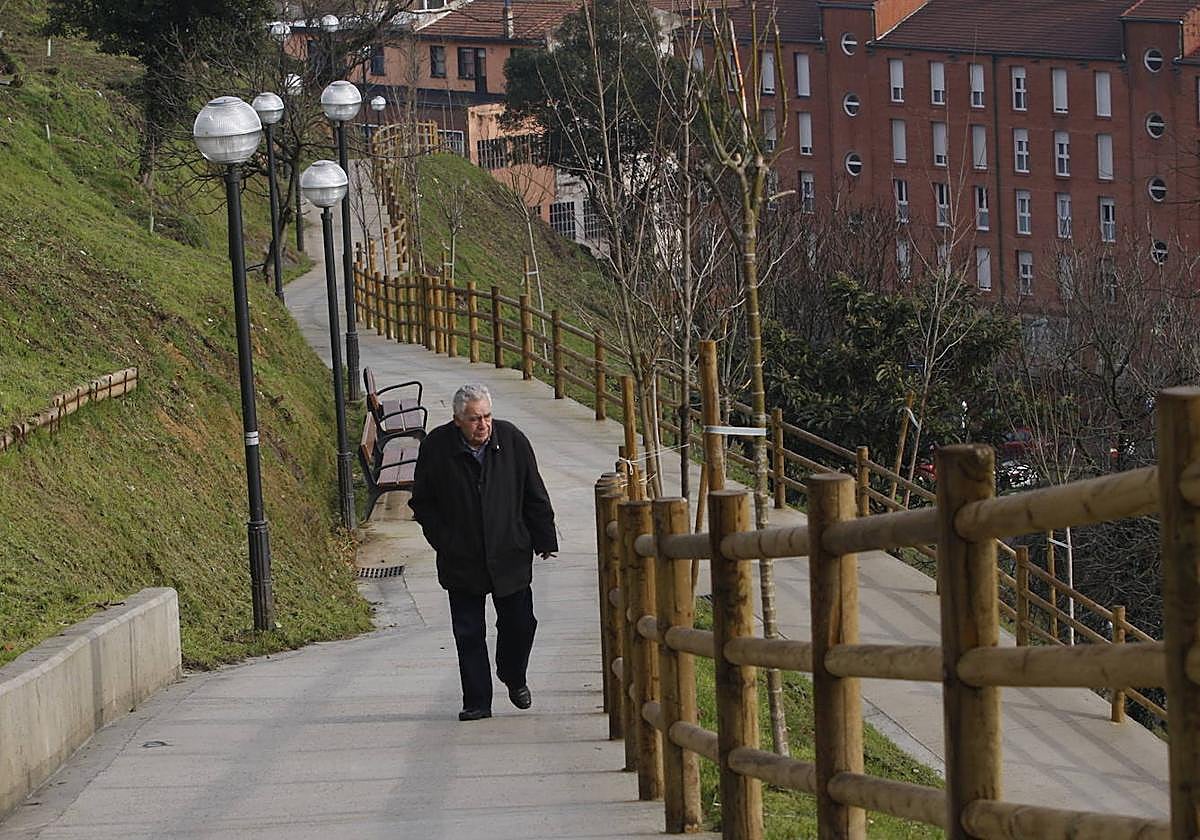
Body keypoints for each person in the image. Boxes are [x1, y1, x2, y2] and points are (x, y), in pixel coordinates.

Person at [409, 383, 558, 721]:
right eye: (474, 418)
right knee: (469, 633)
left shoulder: (512, 440)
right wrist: (444, 540)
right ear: (457, 419)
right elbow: (422, 502)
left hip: (510, 553)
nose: (483, 425)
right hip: (462, 559)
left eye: (487, 416)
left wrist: (545, 538)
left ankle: (513, 675)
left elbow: (534, 491)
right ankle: (477, 701)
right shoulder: (437, 446)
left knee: (521, 624)